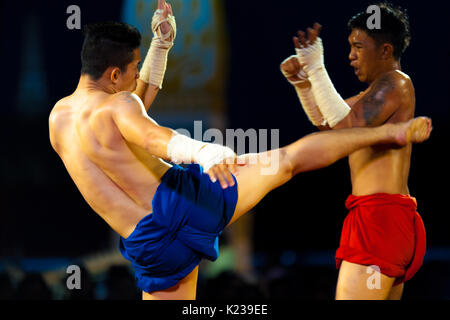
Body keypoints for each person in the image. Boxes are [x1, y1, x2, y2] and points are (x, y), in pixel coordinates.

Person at [49, 0, 432, 300]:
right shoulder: (120, 105)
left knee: (274, 159)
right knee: (286, 159)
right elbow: (151, 135)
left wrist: (161, 48)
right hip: (182, 205)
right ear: (115, 76)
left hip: (148, 242)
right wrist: (203, 151)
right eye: (134, 70)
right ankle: (396, 134)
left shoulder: (60, 120)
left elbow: (133, 110)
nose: (137, 79)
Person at [280, 3, 428, 299]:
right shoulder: (372, 96)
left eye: (358, 47)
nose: (350, 57)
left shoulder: (397, 83)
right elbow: (331, 129)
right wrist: (304, 85)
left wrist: (317, 68)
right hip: (383, 219)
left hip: (379, 220)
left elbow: (348, 125)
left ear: (385, 50)